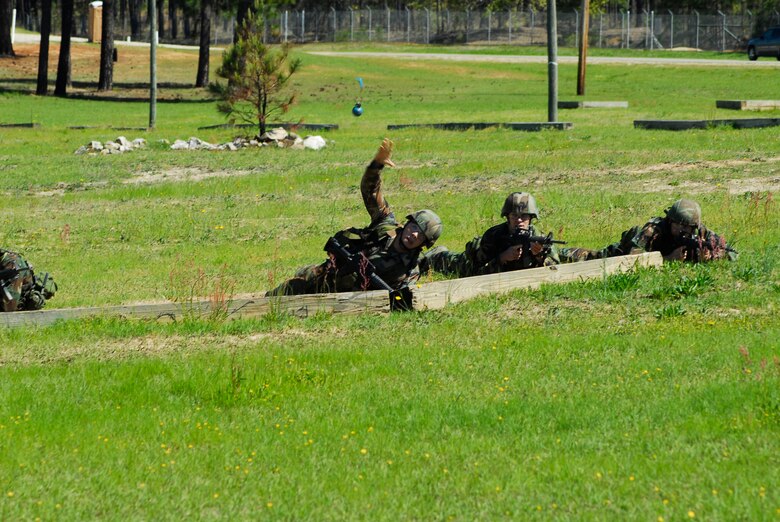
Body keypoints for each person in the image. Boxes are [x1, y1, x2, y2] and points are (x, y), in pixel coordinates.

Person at [267, 138, 442, 295]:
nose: (414, 235)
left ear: (425, 244)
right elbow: (370, 191)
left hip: (351, 298)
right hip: (328, 274)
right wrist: (376, 165)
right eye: (414, 227)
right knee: (288, 290)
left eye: (421, 235)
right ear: (407, 223)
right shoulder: (385, 224)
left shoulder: (410, 270)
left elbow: (400, 299)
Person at [420, 192, 560, 278]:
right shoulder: (494, 236)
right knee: (453, 263)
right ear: (507, 217)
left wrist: (540, 257)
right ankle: (437, 254)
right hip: (472, 264)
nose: (519, 220)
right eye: (514, 216)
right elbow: (478, 272)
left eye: (524, 216)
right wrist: (501, 258)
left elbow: (555, 268)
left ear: (531, 218)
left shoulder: (538, 237)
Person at [560, 198, 738, 263]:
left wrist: (715, 256)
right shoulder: (654, 229)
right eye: (681, 225)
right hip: (622, 252)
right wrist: (667, 259)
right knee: (596, 259)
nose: (686, 231)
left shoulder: (699, 234)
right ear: (670, 221)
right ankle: (563, 252)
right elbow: (633, 258)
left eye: (689, 227)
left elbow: (733, 254)